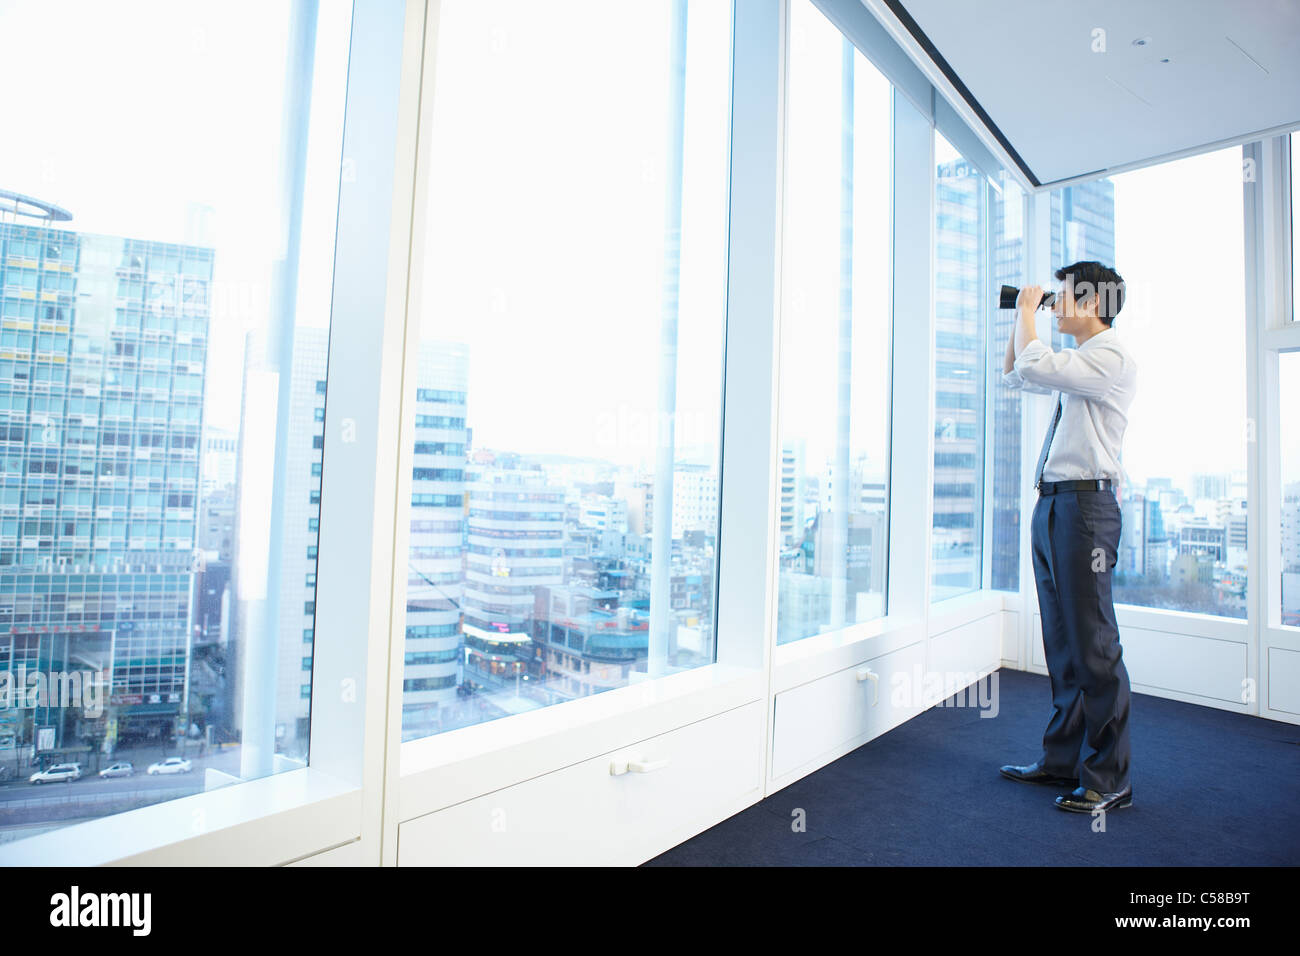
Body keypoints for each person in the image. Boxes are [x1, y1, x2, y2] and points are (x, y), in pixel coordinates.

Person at [998, 260, 1136, 814]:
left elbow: (1033, 360)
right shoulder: (1075, 362)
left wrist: (1030, 314)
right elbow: (1015, 374)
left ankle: (1110, 777)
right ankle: (1062, 761)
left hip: (1087, 511)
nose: (1055, 303)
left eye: (1062, 297)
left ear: (1092, 301)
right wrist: (1020, 317)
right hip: (1054, 506)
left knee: (1094, 645)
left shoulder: (1111, 355)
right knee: (1062, 642)